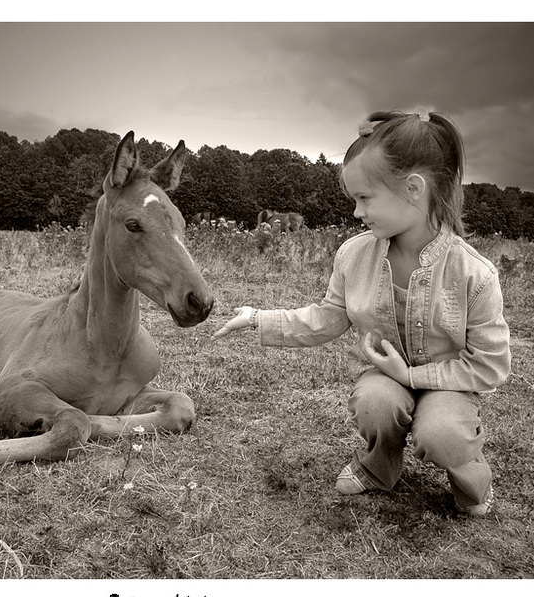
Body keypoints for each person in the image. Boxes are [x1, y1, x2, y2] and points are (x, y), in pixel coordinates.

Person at [212, 108, 511, 516]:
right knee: (373, 401)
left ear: (413, 189)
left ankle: (471, 480)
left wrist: (411, 376)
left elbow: (490, 366)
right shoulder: (354, 255)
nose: (357, 212)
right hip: (384, 380)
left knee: (443, 433)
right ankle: (378, 466)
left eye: (365, 198)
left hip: (451, 385)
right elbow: (329, 316)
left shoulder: (474, 274)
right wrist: (257, 318)